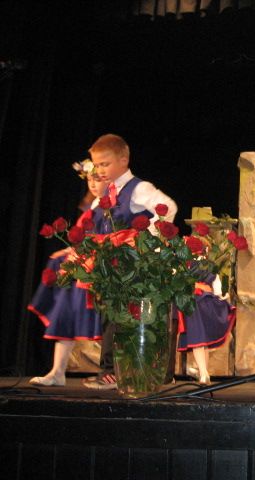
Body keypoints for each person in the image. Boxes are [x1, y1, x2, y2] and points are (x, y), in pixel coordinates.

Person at [83, 133, 178, 390]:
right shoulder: (105, 194)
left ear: (123, 160)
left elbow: (168, 207)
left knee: (124, 318)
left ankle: (117, 373)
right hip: (112, 268)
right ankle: (113, 372)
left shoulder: (138, 188)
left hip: (133, 269)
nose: (100, 170)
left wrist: (143, 240)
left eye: (105, 164)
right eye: (97, 165)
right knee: (110, 316)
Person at [28, 161, 109, 386]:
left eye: (98, 179)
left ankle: (116, 374)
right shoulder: (92, 208)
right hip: (79, 269)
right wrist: (68, 251)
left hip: (97, 274)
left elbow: (106, 239)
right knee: (64, 315)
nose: (93, 184)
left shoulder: (112, 208)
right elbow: (83, 239)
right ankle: (57, 372)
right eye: (90, 180)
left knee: (110, 325)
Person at [177, 269, 236, 385]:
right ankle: (203, 373)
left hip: (201, 304)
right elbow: (178, 280)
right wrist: (198, 285)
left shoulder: (204, 266)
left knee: (200, 340)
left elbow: (217, 287)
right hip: (195, 303)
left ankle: (203, 373)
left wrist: (221, 295)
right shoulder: (189, 264)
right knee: (200, 339)